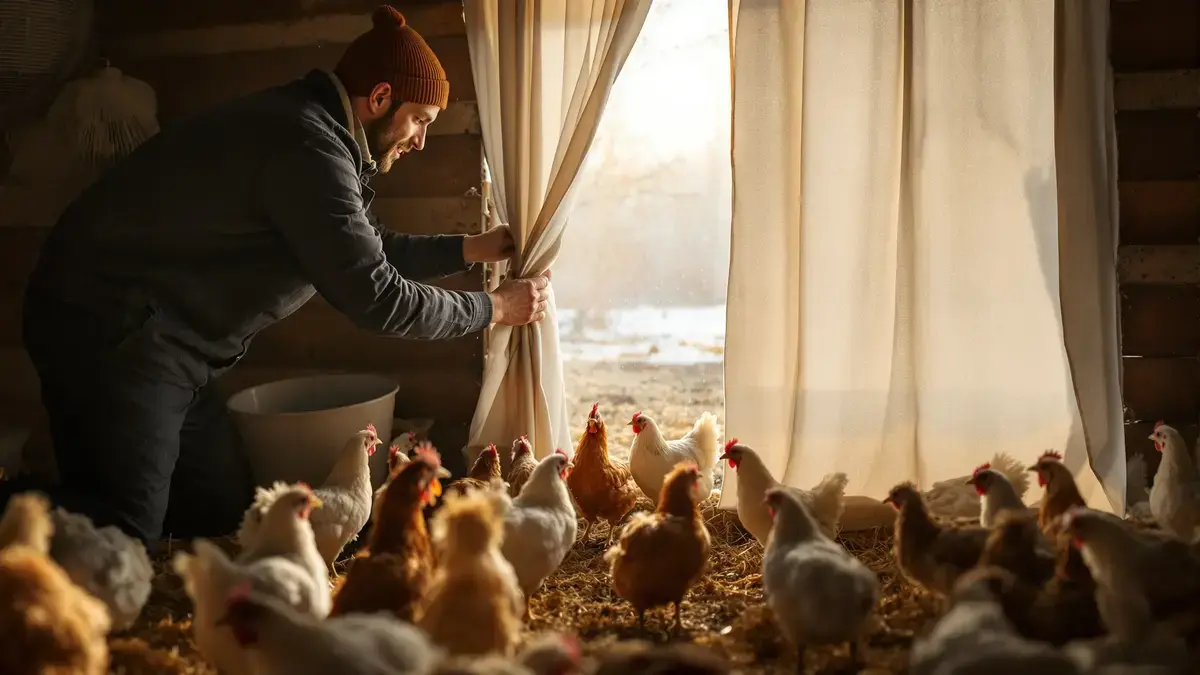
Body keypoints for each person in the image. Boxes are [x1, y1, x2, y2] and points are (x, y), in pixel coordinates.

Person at [3, 5, 550, 547]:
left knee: (216, 509)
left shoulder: (321, 135)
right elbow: (377, 296)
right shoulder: (306, 147)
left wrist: (469, 247)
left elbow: (367, 248)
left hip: (174, 340)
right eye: (420, 120)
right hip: (112, 329)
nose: (421, 140)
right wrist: (495, 308)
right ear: (380, 98)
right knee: (122, 528)